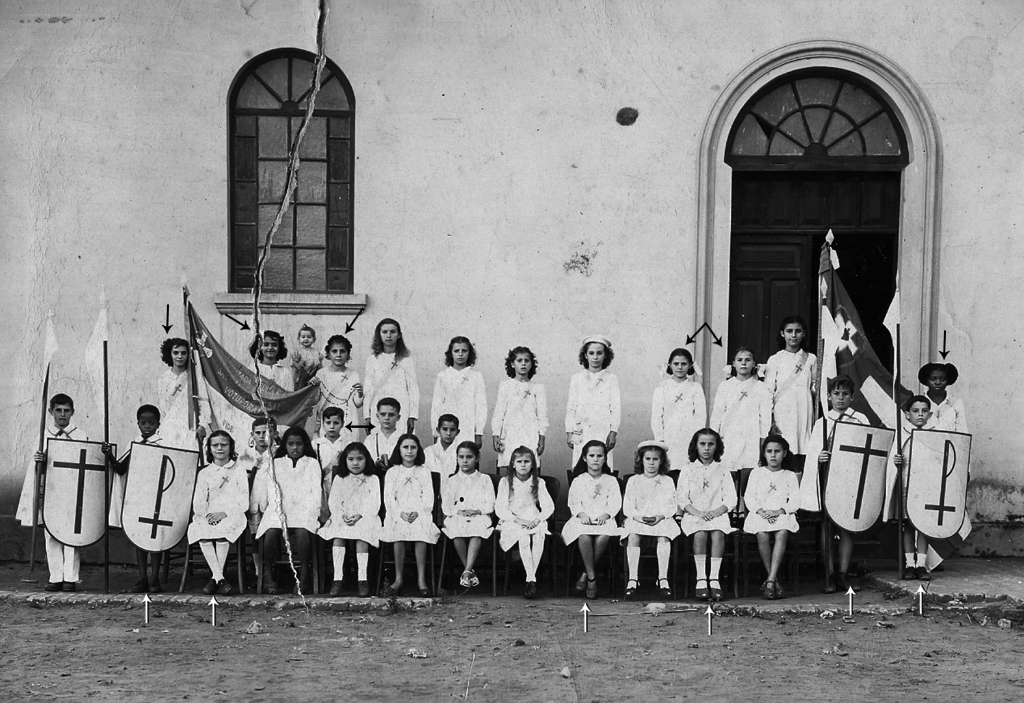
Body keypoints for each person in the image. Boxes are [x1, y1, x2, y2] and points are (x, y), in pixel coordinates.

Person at [798, 375, 870, 593]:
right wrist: (819, 458)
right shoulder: (823, 422)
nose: (840, 398)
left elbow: (866, 449)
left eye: (845, 394)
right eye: (836, 394)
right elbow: (813, 455)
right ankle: (829, 573)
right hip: (828, 480)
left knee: (847, 527)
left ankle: (843, 573)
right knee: (827, 528)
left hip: (850, 481)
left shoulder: (860, 420)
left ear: (852, 397)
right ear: (829, 397)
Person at [16, 393, 89, 592]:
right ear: (51, 412)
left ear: (72, 412)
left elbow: (85, 462)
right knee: (52, 534)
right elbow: (36, 468)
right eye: (58, 410)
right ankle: (55, 576)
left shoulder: (80, 436)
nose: (62, 415)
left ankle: (70, 578)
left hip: (73, 492)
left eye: (66, 411)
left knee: (71, 536)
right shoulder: (43, 436)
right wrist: (39, 459)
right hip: (50, 492)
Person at [102, 404, 166, 593]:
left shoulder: (163, 444)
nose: (147, 426)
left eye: (151, 423)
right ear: (138, 424)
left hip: (156, 497)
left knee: (155, 540)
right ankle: (143, 579)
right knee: (139, 539)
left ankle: (155, 579)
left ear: (158, 425)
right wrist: (109, 456)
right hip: (138, 497)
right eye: (143, 423)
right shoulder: (135, 444)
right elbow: (122, 469)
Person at [250, 426, 321, 594]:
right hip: (279, 508)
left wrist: (310, 510)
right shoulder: (276, 463)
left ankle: (304, 575)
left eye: (299, 444)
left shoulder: (312, 464)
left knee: (303, 532)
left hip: (303, 508)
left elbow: (315, 492)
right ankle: (267, 574)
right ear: (285, 446)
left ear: (305, 445)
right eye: (291, 444)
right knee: (272, 532)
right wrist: (276, 509)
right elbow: (271, 489)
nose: (295, 447)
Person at [676, 428, 735, 602]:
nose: (707, 448)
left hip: (717, 514)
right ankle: (701, 578)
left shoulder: (722, 470)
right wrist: (699, 513)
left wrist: (715, 512)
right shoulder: (688, 470)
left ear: (717, 446)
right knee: (700, 534)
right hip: (694, 514)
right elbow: (682, 497)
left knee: (717, 534)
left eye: (711, 444)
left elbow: (730, 498)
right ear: (696, 446)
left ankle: (714, 579)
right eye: (702, 444)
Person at [187, 431, 248, 595]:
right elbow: (199, 501)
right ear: (210, 448)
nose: (219, 448)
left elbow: (243, 502)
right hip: (208, 515)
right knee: (201, 531)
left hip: (232, 514)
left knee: (222, 533)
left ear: (230, 447)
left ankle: (214, 579)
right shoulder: (205, 473)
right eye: (215, 445)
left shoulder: (239, 470)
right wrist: (207, 515)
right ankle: (220, 579)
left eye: (224, 445)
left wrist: (224, 513)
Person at [886, 395, 939, 581]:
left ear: (930, 414)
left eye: (924, 411)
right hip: (907, 486)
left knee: (923, 526)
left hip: (925, 488)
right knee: (907, 525)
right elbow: (894, 460)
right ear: (907, 415)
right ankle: (909, 564)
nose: (920, 415)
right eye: (915, 411)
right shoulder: (903, 434)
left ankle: (921, 565)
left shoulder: (934, 434)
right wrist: (896, 461)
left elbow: (939, 460)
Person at [318, 442, 381, 597]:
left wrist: (360, 515)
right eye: (351, 459)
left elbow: (374, 502)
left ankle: (362, 579)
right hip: (343, 517)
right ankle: (337, 578)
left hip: (366, 517)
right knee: (338, 537)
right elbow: (334, 501)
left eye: (360, 459)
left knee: (362, 537)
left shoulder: (373, 479)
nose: (355, 463)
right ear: (345, 461)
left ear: (366, 460)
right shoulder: (340, 478)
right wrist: (342, 515)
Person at [710, 347, 771, 509]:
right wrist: (715, 435)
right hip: (729, 434)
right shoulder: (725, 386)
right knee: (729, 469)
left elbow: (765, 417)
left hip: (751, 433)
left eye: (747, 360)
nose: (743, 363)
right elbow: (717, 413)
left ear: (754, 364)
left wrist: (763, 438)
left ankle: (743, 507)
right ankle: (729, 507)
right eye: (740, 360)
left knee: (748, 469)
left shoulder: (760, 387)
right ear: (733, 364)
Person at [380, 434, 440, 596]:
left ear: (418, 450)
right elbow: (389, 498)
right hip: (397, 514)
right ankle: (399, 579)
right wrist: (400, 513)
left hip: (420, 513)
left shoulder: (424, 471)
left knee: (421, 533)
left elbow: (428, 498)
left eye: (413, 447)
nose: (409, 451)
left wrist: (418, 512)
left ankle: (421, 580)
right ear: (399, 450)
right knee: (398, 533)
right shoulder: (392, 472)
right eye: (405, 447)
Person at [562, 440, 622, 599]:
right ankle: (592, 578)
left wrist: (607, 514)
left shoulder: (611, 480)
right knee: (584, 536)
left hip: (604, 519)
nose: (595, 459)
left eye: (599, 456)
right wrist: (581, 514)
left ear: (605, 459)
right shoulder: (579, 480)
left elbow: (615, 502)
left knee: (604, 536)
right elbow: (573, 502)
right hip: (582, 518)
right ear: (584, 458)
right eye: (591, 455)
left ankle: (585, 574)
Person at [620, 441, 680, 600]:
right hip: (638, 518)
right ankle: (633, 579)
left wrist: (660, 516)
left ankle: (662, 578)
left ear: (662, 461)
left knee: (664, 536)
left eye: (655, 459)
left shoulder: (667, 481)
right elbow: (628, 507)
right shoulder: (634, 481)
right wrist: (639, 517)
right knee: (633, 535)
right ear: (641, 460)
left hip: (661, 519)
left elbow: (672, 505)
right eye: (648, 459)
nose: (651, 463)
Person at [744, 435, 799, 600]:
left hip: (782, 513)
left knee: (782, 532)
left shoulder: (789, 475)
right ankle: (773, 580)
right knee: (762, 533)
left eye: (777, 451)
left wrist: (779, 511)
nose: (773, 455)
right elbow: (749, 498)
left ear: (785, 453)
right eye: (769, 451)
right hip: (760, 513)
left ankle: (770, 580)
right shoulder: (756, 473)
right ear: (764, 454)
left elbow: (795, 500)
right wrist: (761, 511)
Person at [495, 446, 554, 599]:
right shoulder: (505, 482)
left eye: (527, 461)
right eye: (519, 461)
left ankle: (530, 579)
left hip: (533, 518)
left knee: (539, 533)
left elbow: (549, 506)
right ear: (513, 464)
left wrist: (537, 519)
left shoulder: (538, 482)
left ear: (533, 464)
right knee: (523, 535)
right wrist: (517, 519)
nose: (523, 465)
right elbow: (500, 508)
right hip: (512, 519)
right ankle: (532, 579)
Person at [764, 316, 817, 471]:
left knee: (803, 447)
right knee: (785, 449)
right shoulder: (775, 359)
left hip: (803, 409)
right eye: (789, 331)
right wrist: (771, 421)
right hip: (782, 411)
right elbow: (768, 392)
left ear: (804, 333)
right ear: (782, 334)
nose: (793, 335)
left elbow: (814, 387)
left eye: (798, 331)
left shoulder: (811, 359)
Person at [441, 441, 495, 590]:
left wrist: (477, 511)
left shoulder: (484, 479)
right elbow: (446, 505)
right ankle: (469, 571)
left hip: (479, 515)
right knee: (456, 531)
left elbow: (490, 503)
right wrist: (457, 512)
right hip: (458, 515)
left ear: (477, 458)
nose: (465, 461)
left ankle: (466, 571)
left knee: (476, 532)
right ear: (457, 458)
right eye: (461, 457)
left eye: (469, 457)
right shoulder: (452, 480)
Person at [565, 335, 621, 469]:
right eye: (591, 353)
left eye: (599, 353)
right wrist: (569, 432)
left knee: (601, 464)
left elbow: (616, 408)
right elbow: (571, 408)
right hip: (581, 430)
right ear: (585, 355)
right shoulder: (577, 378)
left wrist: (613, 432)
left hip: (602, 429)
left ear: (606, 355)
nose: (595, 357)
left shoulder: (611, 379)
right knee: (581, 466)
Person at [491, 346, 548, 473]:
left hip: (530, 433)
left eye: (527, 361)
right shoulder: (505, 386)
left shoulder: (537, 388)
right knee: (509, 467)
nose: (523, 364)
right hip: (510, 433)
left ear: (531, 364)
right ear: (512, 364)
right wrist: (496, 434)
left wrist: (542, 439)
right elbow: (499, 412)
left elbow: (542, 416)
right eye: (519, 360)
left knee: (529, 467)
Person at [236, 416, 277, 583]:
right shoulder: (245, 455)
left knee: (271, 535)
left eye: (266, 432)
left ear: (273, 433)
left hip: (271, 501)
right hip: (253, 500)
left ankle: (270, 569)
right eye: (258, 433)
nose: (262, 436)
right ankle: (258, 571)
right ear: (252, 435)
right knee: (255, 536)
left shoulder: (278, 453)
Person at [650, 348, 706, 470]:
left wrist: (697, 438)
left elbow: (700, 416)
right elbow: (656, 416)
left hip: (689, 436)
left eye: (684, 364)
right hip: (668, 436)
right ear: (670, 365)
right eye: (676, 364)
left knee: (688, 469)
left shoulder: (695, 388)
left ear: (690, 365)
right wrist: (660, 439)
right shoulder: (662, 388)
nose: (680, 367)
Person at [431, 336, 488, 447]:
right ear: (451, 353)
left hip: (468, 426)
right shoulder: (443, 376)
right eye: (456, 351)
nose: (460, 354)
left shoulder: (476, 376)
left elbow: (481, 406)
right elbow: (436, 406)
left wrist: (478, 434)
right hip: (447, 427)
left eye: (464, 351)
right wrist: (435, 432)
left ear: (469, 353)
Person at [364, 318, 418, 434]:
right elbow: (368, 389)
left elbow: (413, 389)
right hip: (378, 407)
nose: (389, 335)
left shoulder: (406, 360)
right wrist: (366, 415)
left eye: (393, 332)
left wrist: (412, 416)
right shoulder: (372, 360)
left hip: (402, 408)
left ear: (399, 335)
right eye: (384, 332)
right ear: (379, 334)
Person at [156, 337, 209, 449]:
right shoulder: (163, 379)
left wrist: (203, 425)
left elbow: (203, 402)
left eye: (183, 353)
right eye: (176, 353)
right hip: (170, 428)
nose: (179, 356)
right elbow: (164, 407)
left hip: (190, 428)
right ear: (169, 354)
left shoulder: (195, 377)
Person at [309, 334, 363, 435]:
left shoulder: (354, 375)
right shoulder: (321, 373)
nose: (338, 355)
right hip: (328, 419)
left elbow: (358, 403)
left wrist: (360, 393)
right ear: (328, 354)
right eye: (334, 351)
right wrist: (312, 387)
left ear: (348, 354)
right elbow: (315, 400)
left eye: (342, 351)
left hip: (348, 419)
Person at [313, 406, 356, 491]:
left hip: (342, 487)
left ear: (342, 424)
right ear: (323, 424)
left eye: (336, 423)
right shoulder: (315, 444)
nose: (332, 427)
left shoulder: (348, 444)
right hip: (321, 488)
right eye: (328, 423)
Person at [918, 362, 968, 433]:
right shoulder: (917, 402)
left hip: (950, 443)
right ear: (927, 381)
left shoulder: (956, 403)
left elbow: (962, 432)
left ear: (948, 381)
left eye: (942, 379)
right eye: (933, 379)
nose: (938, 382)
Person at [363, 397, 402, 473]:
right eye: (383, 414)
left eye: (391, 415)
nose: (387, 418)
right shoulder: (370, 439)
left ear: (398, 417)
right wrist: (375, 462)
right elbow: (364, 461)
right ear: (377, 416)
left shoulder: (404, 439)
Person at [425, 414, 461, 484]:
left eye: (452, 430)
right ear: (438, 430)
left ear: (457, 432)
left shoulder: (461, 452)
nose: (448, 433)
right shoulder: (428, 451)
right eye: (445, 429)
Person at [290, 324, 323, 390]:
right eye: (303, 337)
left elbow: (319, 367)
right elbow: (294, 366)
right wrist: (296, 362)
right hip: (300, 378)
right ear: (299, 339)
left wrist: (320, 361)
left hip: (312, 377)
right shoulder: (298, 352)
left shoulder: (316, 352)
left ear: (314, 339)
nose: (306, 339)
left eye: (309, 337)